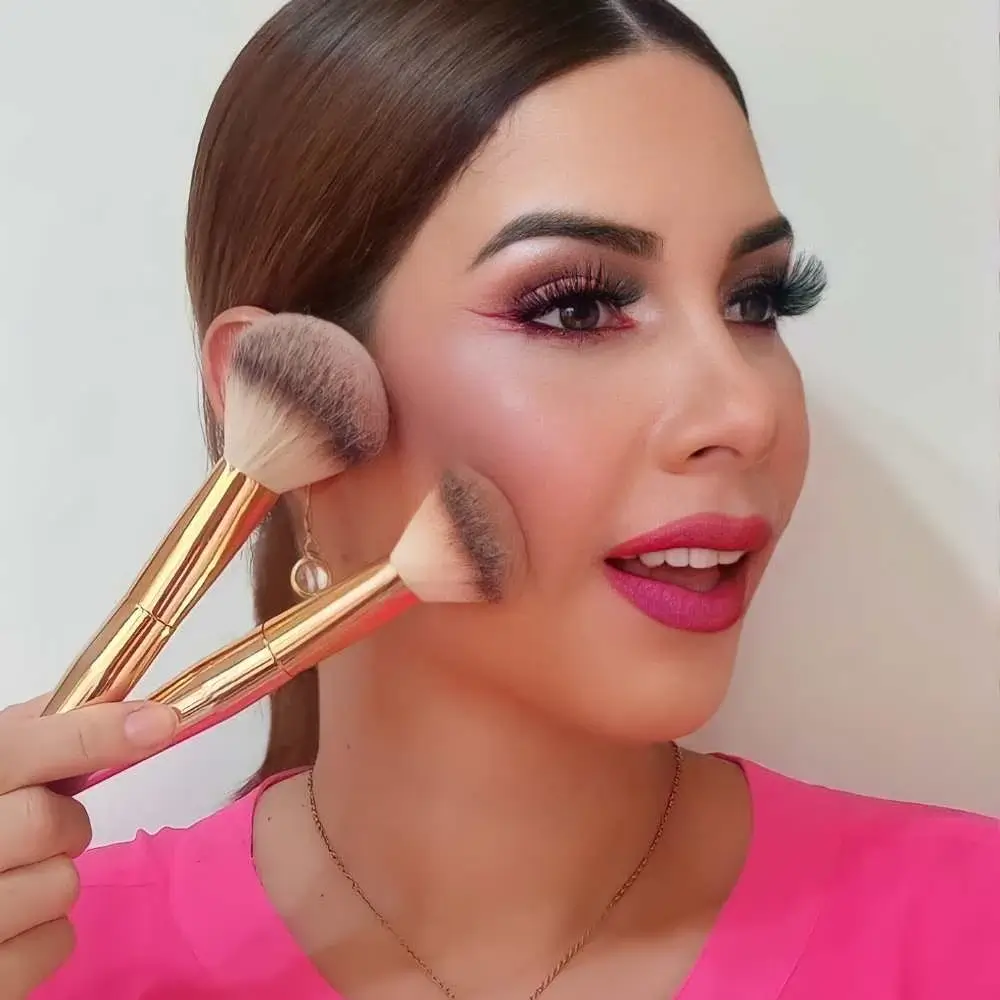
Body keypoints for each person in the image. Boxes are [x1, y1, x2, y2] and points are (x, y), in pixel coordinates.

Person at [2, 0, 997, 997]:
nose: (745, 410)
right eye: (577, 307)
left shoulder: (969, 927)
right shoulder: (52, 960)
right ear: (284, 385)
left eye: (756, 300)